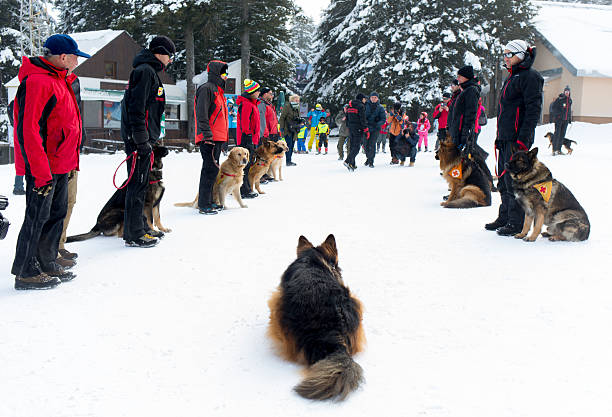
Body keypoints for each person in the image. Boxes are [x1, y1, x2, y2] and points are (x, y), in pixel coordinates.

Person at [10, 34, 89, 290]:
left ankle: (46, 261)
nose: (78, 60)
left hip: (61, 164)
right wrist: (40, 172)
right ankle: (26, 271)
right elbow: (28, 130)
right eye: (75, 55)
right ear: (63, 57)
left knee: (56, 214)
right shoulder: (38, 82)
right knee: (37, 218)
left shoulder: (61, 79)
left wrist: (69, 163)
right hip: (43, 167)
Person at [121, 35, 175, 247]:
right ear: (160, 53)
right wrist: (141, 139)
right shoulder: (144, 72)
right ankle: (133, 234)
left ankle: (141, 225)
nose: (170, 60)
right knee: (136, 185)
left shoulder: (151, 72)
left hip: (146, 139)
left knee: (143, 185)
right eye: (170, 56)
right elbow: (137, 109)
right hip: (138, 140)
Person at [485, 39, 543, 236]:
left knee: (514, 182)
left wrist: (523, 140)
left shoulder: (530, 77)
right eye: (505, 54)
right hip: (506, 137)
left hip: (517, 140)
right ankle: (506, 216)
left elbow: (533, 110)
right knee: (502, 179)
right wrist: (501, 136)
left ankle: (516, 222)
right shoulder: (512, 77)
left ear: (521, 55)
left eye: (510, 54)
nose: (506, 58)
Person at [57, 74, 87, 267]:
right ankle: (47, 250)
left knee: (69, 201)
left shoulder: (74, 81)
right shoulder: (45, 80)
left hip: (72, 153)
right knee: (53, 206)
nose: (76, 60)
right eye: (73, 55)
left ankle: (59, 243)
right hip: (55, 155)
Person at [194, 60, 229, 215]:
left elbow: (222, 118)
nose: (226, 76)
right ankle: (204, 204)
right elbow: (202, 114)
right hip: (209, 137)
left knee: (213, 170)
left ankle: (209, 201)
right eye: (223, 73)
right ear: (216, 73)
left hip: (217, 137)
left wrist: (224, 140)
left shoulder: (218, 92)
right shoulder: (206, 89)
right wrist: (207, 135)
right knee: (209, 170)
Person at [237, 79, 262, 198]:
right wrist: (249, 136)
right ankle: (243, 190)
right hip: (246, 139)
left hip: (251, 138)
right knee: (245, 166)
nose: (259, 93)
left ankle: (246, 187)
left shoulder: (252, 104)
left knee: (248, 165)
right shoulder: (247, 104)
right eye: (257, 91)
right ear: (252, 92)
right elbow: (245, 123)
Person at [448, 65, 480, 153]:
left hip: (463, 133)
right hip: (457, 132)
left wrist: (465, 135)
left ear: (466, 77)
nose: (457, 79)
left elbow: (470, 114)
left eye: (459, 77)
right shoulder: (465, 90)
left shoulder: (471, 90)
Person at [343, 93, 368, 171]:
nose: (365, 100)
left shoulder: (350, 105)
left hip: (351, 128)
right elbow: (362, 119)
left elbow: (347, 117)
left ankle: (352, 164)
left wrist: (349, 126)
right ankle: (348, 161)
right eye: (364, 99)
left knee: (352, 146)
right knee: (356, 147)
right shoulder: (361, 106)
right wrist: (365, 129)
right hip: (358, 128)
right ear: (361, 99)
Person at [7, 100, 25, 195]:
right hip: (23, 131)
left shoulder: (14, 103)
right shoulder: (22, 102)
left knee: (20, 161)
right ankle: (18, 187)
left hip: (18, 130)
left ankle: (18, 186)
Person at [364, 92, 386, 167]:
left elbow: (383, 119)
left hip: (375, 129)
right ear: (370, 98)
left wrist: (377, 123)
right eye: (372, 97)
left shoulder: (380, 107)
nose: (373, 99)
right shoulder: (365, 105)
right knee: (365, 145)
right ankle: (368, 158)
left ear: (377, 98)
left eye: (375, 97)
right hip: (366, 128)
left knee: (372, 144)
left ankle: (371, 161)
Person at [279, 94, 300, 165]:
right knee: (289, 145)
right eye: (296, 100)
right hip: (287, 129)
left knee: (292, 145)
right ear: (292, 100)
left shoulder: (297, 107)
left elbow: (297, 117)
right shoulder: (287, 106)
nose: (297, 101)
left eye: (298, 100)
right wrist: (281, 128)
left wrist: (300, 121)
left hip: (294, 129)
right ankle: (288, 161)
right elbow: (282, 118)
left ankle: (289, 160)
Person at [551, 85, 572, 155]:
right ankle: (554, 150)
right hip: (559, 120)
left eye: (568, 92)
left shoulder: (570, 100)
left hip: (565, 120)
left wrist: (569, 118)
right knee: (557, 134)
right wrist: (558, 115)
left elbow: (569, 110)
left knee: (562, 135)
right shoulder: (559, 99)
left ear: (569, 92)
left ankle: (559, 150)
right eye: (566, 91)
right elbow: (553, 108)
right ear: (564, 92)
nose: (567, 93)